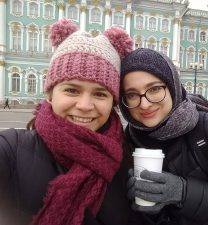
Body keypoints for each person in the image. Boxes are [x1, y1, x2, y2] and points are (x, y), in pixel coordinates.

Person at [0, 18, 134, 225]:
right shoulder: (11, 149)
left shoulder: (127, 160)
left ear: (113, 102)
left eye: (100, 94)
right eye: (72, 90)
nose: (85, 105)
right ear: (50, 94)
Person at [119, 48, 208, 225]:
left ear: (173, 86)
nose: (145, 103)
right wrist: (145, 207)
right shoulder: (132, 136)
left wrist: (182, 192)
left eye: (155, 89)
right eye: (132, 94)